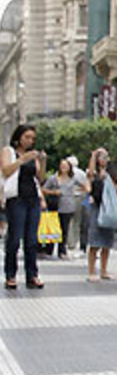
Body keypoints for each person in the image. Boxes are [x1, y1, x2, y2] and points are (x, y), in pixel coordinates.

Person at [2, 124, 46, 289]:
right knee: (14, 238)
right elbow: (6, 171)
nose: (30, 141)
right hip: (16, 198)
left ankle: (32, 275)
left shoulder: (33, 156)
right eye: (27, 137)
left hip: (33, 199)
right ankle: (10, 275)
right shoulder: (9, 151)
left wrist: (42, 161)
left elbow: (40, 178)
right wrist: (21, 160)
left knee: (32, 240)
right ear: (18, 137)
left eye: (33, 138)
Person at [84, 148, 117, 282]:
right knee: (94, 240)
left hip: (109, 208)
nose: (103, 159)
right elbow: (90, 175)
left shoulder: (113, 173)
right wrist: (93, 155)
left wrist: (109, 180)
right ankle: (92, 271)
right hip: (97, 206)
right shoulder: (93, 173)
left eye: (105, 156)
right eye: (101, 157)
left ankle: (104, 270)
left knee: (107, 242)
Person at [41, 158, 79, 260]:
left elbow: (84, 186)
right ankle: (49, 250)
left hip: (68, 206)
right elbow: (43, 189)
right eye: (62, 165)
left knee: (64, 229)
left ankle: (62, 251)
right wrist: (53, 192)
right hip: (55, 205)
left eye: (66, 166)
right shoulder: (53, 178)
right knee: (52, 228)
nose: (63, 168)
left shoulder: (73, 179)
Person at [66, 155, 89, 255]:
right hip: (80, 197)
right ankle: (76, 240)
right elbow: (86, 186)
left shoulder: (68, 173)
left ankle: (70, 242)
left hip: (69, 197)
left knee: (69, 220)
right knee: (77, 221)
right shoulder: (82, 173)